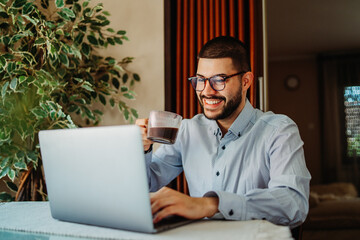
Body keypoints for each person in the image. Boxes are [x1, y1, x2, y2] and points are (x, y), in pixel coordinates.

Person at [135, 36, 311, 229]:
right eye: (200, 80)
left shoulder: (280, 131)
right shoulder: (187, 130)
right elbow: (146, 185)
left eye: (219, 80)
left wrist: (210, 204)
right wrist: (142, 149)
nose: (207, 91)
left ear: (246, 81)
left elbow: (293, 204)